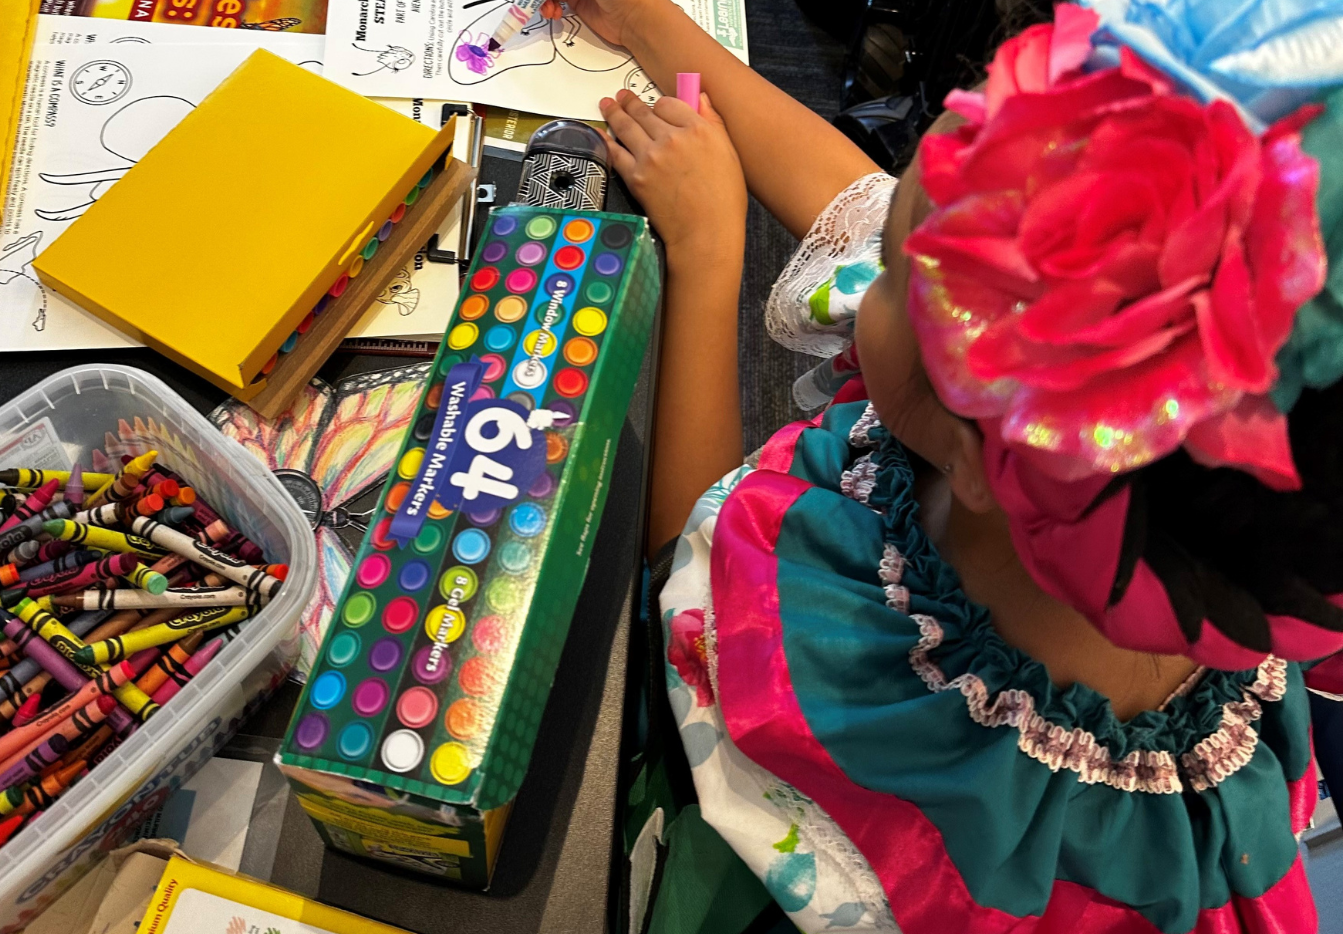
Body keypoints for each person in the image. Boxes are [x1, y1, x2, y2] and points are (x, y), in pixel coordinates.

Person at [567, 0, 1343, 930]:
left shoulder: (864, 692)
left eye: (896, 270)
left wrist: (707, 256)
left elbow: (695, 599)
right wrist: (655, 29)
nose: (879, 244)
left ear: (979, 442)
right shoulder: (1149, 494)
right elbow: (858, 206)